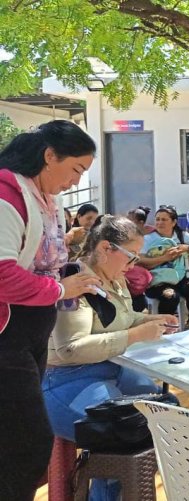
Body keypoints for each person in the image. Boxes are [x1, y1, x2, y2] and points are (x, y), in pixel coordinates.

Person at [42, 216, 179, 500]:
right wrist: (136, 335)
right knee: (122, 433)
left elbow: (124, 318)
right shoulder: (75, 280)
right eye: (131, 256)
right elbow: (70, 349)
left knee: (171, 412)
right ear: (106, 248)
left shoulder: (116, 278)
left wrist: (154, 319)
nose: (134, 264)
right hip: (65, 380)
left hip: (111, 368)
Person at [0, 120, 100, 499]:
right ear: (49, 156)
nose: (76, 182)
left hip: (31, 332)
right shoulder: (7, 194)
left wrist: (69, 275)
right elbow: (3, 273)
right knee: (28, 443)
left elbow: (42, 260)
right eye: (75, 169)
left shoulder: (45, 198)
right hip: (6, 334)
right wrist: (60, 288)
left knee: (13, 440)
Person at [139, 206, 189, 327]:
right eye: (157, 219)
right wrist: (165, 258)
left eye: (164, 220)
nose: (159, 223)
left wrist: (187, 248)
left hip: (181, 278)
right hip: (157, 281)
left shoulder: (182, 235)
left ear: (174, 222)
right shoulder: (148, 239)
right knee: (170, 296)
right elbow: (140, 261)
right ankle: (167, 328)